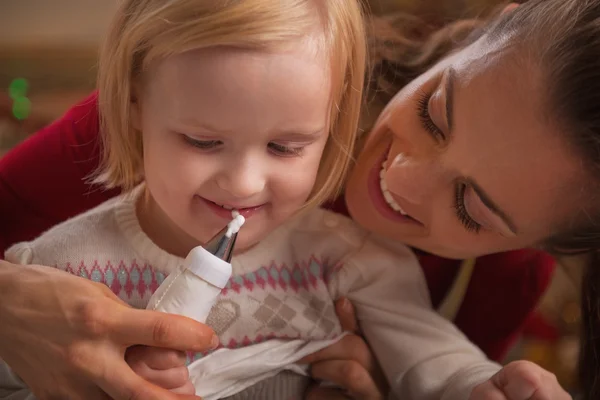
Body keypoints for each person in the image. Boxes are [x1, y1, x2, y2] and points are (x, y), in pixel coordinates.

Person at [0, 0, 581, 399]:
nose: (245, 184)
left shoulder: (352, 261)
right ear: (131, 107)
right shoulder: (59, 260)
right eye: (203, 142)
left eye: (286, 146)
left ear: (332, 120)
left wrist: (483, 384)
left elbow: (440, 363)